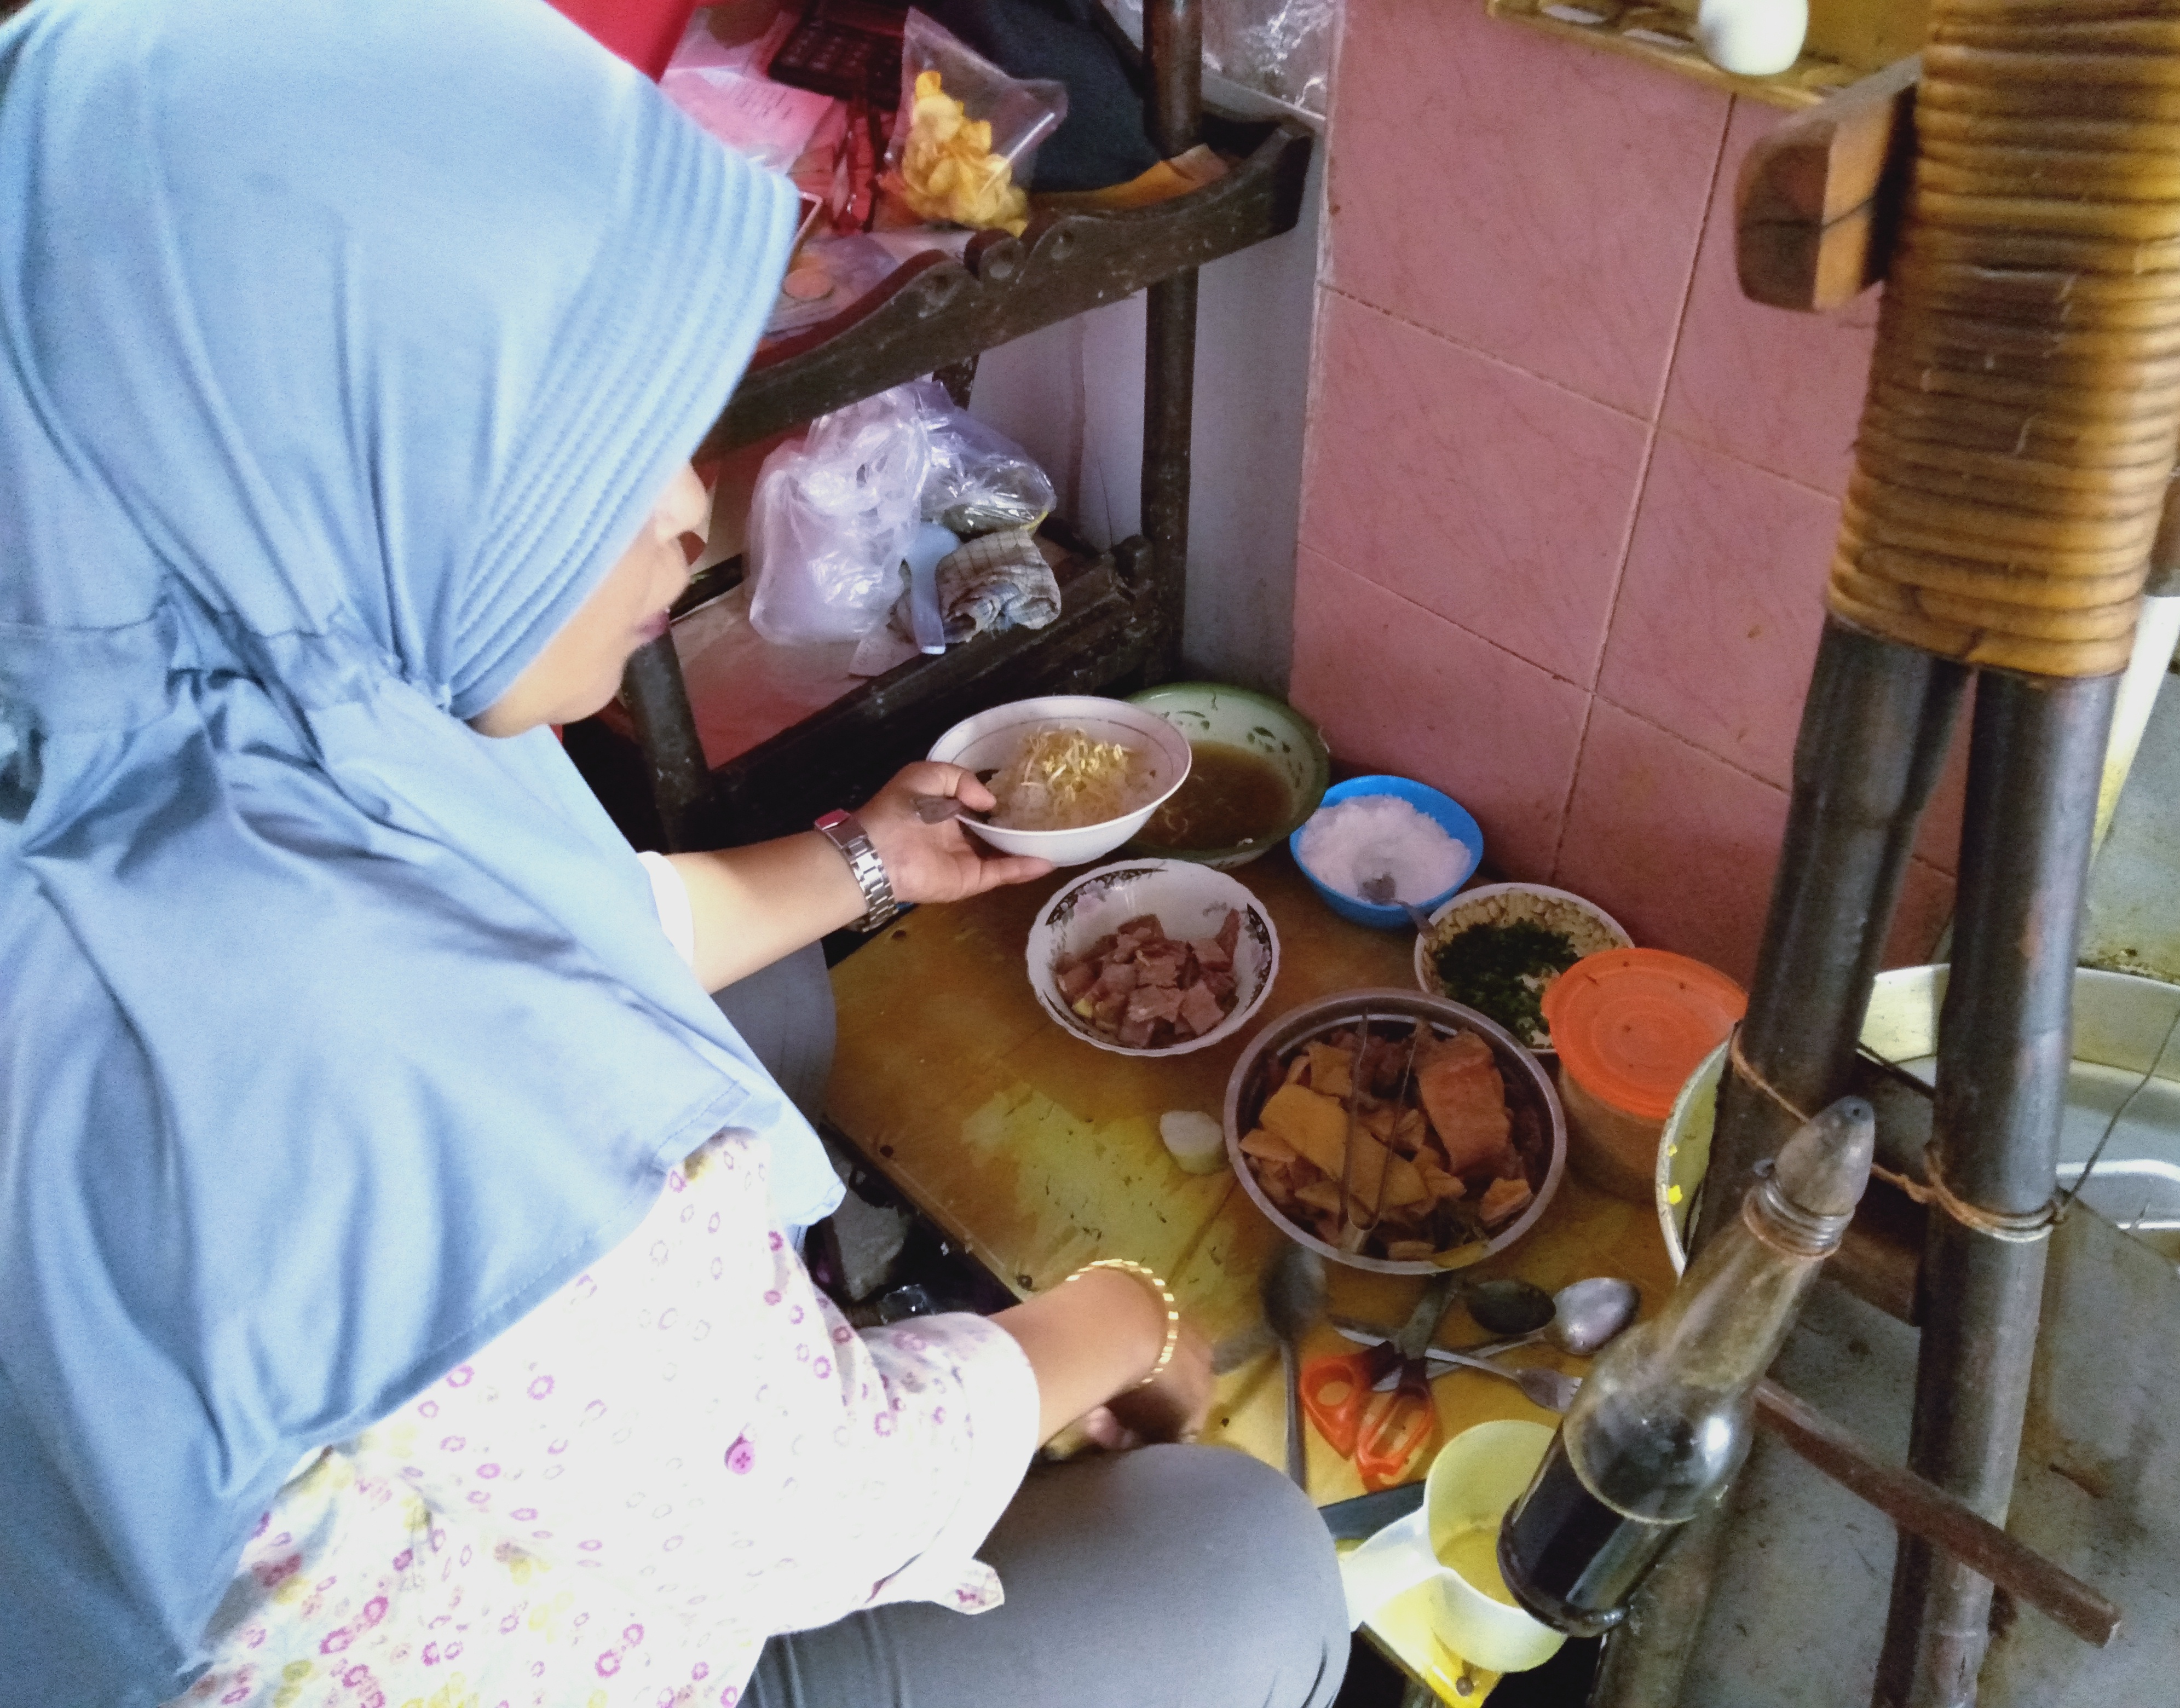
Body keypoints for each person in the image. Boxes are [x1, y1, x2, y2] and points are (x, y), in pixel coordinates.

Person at [0, 2, 1349, 1705]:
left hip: (344, 1474)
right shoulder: (350, 1050)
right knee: (1238, 1560)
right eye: (583, 443)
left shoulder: (192, 688)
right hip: (504, 1658)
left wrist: (871, 863)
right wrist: (1105, 1325)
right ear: (351, 439)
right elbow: (818, 1502)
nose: (690, 506)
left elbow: (573, 920)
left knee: (772, 993)